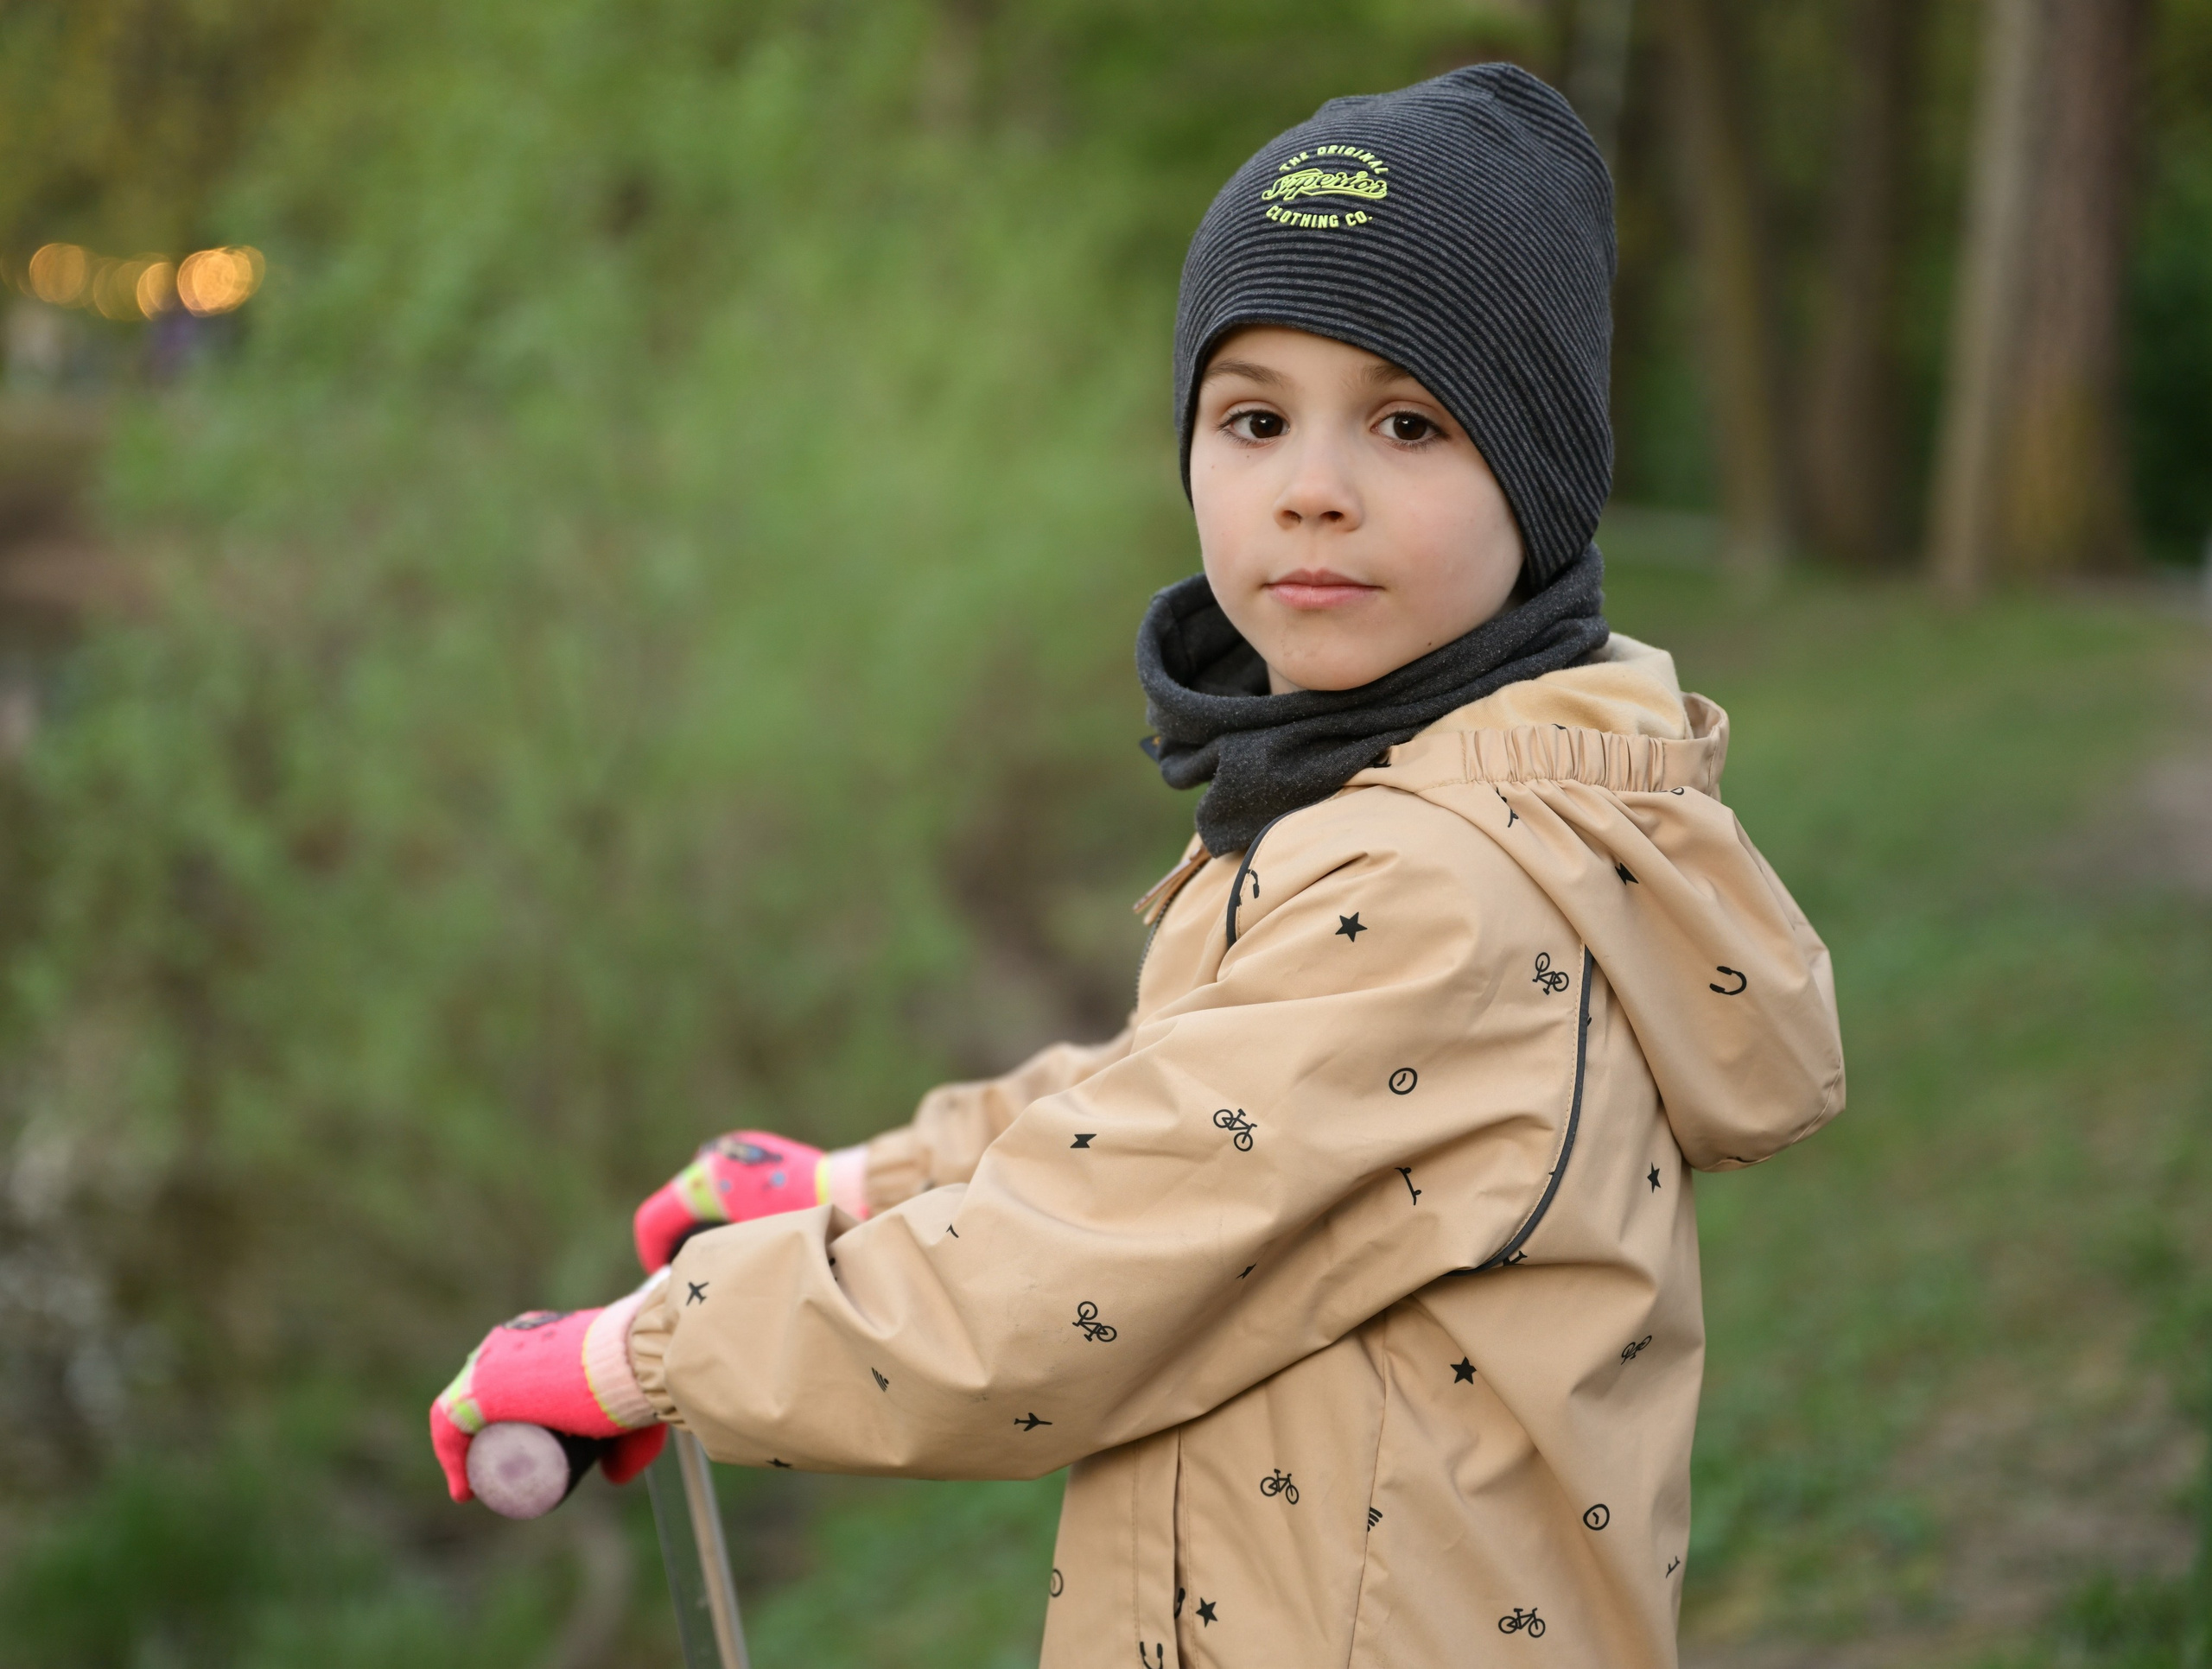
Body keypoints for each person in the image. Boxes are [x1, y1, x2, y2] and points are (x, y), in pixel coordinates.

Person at [429, 64, 1844, 1666]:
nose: (1312, 483)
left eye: (1408, 420)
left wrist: (651, 1355)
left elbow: (1054, 1280)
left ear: (1542, 478)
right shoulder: (1390, 796)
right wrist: (872, 1183)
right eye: (1254, 417)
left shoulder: (1442, 886)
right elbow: (1190, 1111)